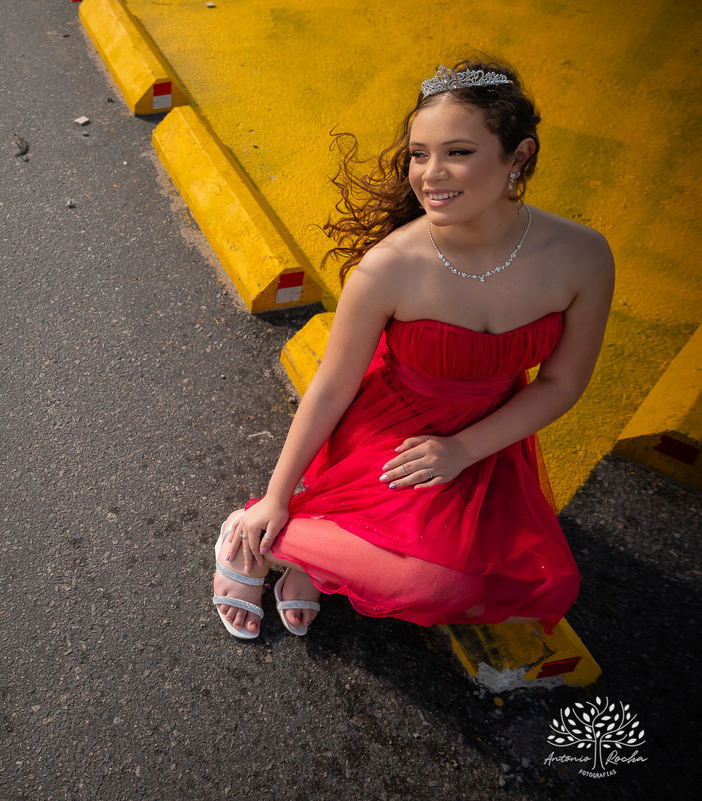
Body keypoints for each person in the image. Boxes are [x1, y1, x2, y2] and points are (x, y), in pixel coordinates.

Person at [212, 59, 614, 640]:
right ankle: (256, 534)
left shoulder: (582, 255)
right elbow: (332, 384)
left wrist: (461, 450)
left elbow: (562, 383)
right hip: (388, 434)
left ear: (518, 155)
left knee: (497, 589)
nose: (430, 174)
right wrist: (275, 496)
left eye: (457, 152)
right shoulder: (391, 266)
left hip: (488, 434)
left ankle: (312, 557)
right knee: (437, 585)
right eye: (419, 154)